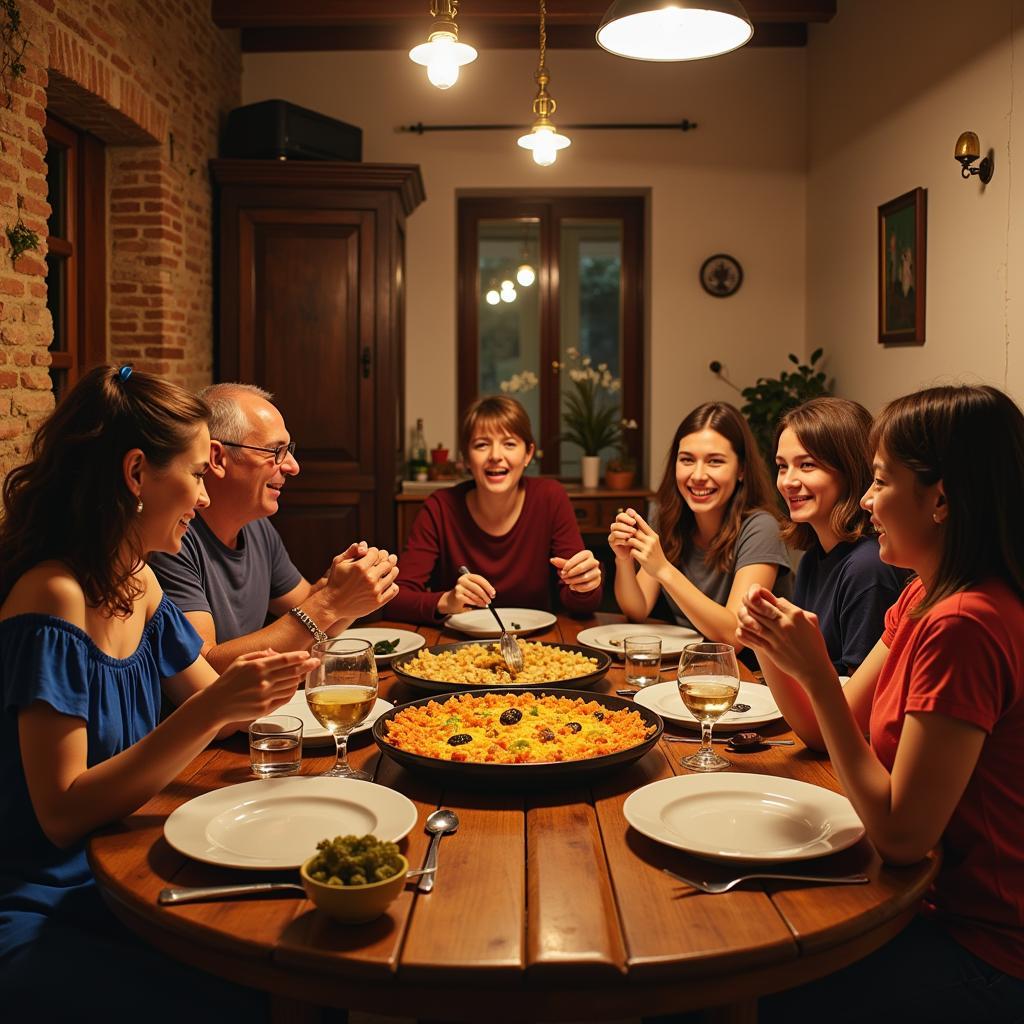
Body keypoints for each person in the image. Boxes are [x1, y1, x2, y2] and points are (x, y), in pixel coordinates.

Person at [0, 365, 317, 1016]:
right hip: (48, 898)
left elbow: (218, 712)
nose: (205, 497)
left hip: (127, 868)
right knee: (251, 996)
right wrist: (216, 708)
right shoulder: (53, 597)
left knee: (303, 956)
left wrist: (268, 690)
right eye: (198, 474)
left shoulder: (138, 584)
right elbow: (60, 814)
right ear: (138, 473)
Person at [738, 385, 1024, 1022]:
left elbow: (900, 836)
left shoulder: (966, 624)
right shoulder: (922, 596)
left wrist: (815, 674)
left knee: (745, 987)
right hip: (911, 900)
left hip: (981, 949)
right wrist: (781, 654)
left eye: (879, 482)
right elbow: (821, 730)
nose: (865, 504)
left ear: (942, 498)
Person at [149, 383, 399, 672]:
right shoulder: (173, 537)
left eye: (288, 450)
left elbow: (313, 619)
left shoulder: (257, 528)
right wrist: (331, 602)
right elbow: (204, 667)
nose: (293, 466)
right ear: (217, 458)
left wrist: (346, 589)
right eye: (275, 451)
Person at [389, 395, 602, 624]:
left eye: (509, 444)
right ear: (466, 458)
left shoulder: (550, 498)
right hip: (456, 650)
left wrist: (585, 585)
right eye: (481, 445)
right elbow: (395, 600)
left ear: (528, 454)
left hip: (537, 647)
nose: (496, 456)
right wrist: (447, 601)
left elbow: (583, 605)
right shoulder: (440, 507)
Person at [609, 401, 790, 650]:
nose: (697, 475)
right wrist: (623, 560)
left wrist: (663, 569)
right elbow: (638, 609)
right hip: (692, 666)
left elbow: (735, 636)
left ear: (741, 469)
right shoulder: (668, 517)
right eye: (687, 460)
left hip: (752, 675)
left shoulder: (761, 528)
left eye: (714, 461)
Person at [775, 397, 907, 675]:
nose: (788, 481)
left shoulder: (867, 566)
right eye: (782, 466)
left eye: (807, 465)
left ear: (850, 469)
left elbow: (858, 695)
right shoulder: (813, 558)